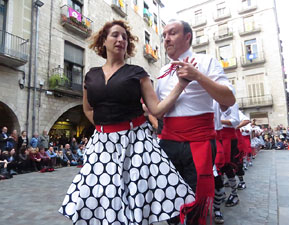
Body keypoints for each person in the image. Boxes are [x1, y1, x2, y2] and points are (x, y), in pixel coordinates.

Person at [59, 20, 195, 225]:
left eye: (125, 37)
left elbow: (156, 109)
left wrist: (181, 85)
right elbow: (87, 108)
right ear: (103, 41)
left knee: (136, 197)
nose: (121, 39)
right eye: (115, 35)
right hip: (103, 144)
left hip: (135, 143)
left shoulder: (137, 73)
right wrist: (105, 127)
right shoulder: (90, 76)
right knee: (104, 195)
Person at [156, 20, 235, 224]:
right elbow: (154, 109)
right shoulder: (162, 72)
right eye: (164, 35)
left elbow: (228, 99)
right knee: (168, 197)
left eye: (172, 33)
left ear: (187, 36)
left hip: (199, 142)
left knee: (195, 199)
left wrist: (197, 76)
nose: (166, 39)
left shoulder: (207, 61)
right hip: (168, 143)